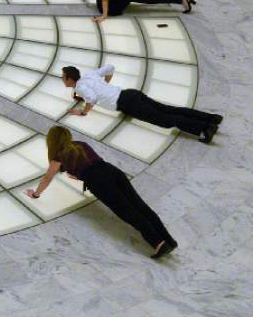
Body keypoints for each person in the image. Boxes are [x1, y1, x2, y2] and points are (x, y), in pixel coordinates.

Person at [25, 126, 177, 258]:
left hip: (99, 183)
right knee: (140, 206)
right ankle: (169, 240)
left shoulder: (58, 157)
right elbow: (91, 165)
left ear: (51, 142)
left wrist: (36, 193)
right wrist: (80, 174)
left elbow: (47, 178)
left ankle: (158, 243)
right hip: (112, 171)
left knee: (129, 213)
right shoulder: (81, 144)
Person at [62, 65, 222, 143]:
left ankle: (204, 129)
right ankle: (211, 118)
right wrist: (106, 86)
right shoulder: (89, 75)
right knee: (167, 109)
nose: (62, 79)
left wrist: (83, 112)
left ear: (70, 79)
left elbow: (91, 98)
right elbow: (110, 68)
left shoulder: (80, 87)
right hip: (129, 93)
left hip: (126, 104)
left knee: (165, 120)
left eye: (63, 77)